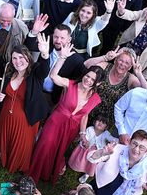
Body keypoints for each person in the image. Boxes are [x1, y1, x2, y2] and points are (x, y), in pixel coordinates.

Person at [29, 44, 103, 184]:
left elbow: (85, 115)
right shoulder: (70, 84)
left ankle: (46, 173)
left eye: (93, 80)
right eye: (87, 76)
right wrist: (62, 58)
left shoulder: (95, 99)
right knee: (46, 144)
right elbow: (53, 76)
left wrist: (82, 134)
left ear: (98, 84)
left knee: (58, 150)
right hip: (56, 121)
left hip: (71, 129)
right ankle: (33, 174)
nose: (88, 80)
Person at [0, 43, 50, 173]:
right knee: (5, 136)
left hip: (26, 117)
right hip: (6, 112)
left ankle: (17, 164)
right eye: (14, 58)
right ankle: (4, 155)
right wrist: (0, 94)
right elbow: (4, 90)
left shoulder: (35, 72)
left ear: (28, 58)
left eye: (21, 57)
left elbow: (44, 70)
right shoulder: (9, 71)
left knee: (21, 143)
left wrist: (44, 54)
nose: (18, 61)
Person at [83, 47, 147, 126]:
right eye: (121, 60)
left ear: (130, 67)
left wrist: (139, 74)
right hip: (87, 111)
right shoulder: (106, 66)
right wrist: (105, 57)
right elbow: (86, 64)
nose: (122, 64)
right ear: (115, 60)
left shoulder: (130, 79)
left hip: (105, 122)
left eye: (127, 63)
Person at [68, 113, 118, 182]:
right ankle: (80, 167)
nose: (100, 123)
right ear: (94, 122)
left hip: (96, 152)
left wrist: (116, 141)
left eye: (103, 122)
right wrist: (86, 143)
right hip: (86, 149)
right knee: (82, 161)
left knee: (92, 164)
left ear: (106, 127)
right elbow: (85, 138)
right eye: (98, 121)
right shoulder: (90, 129)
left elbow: (112, 138)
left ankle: (87, 174)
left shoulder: (105, 133)